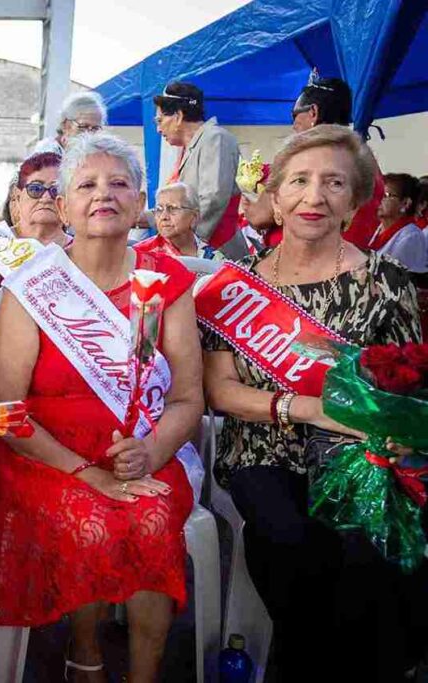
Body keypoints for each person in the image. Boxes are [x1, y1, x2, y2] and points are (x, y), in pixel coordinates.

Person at [199, 124, 428, 681]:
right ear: (274, 198)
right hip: (263, 447)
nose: (314, 196)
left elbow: (405, 383)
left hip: (359, 452)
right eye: (299, 181)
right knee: (287, 540)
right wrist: (302, 408)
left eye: (334, 183)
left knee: (363, 553)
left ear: (353, 202)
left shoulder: (386, 280)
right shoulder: (235, 286)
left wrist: (393, 434)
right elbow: (220, 391)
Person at [0, 133, 203, 683]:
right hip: (43, 453)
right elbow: (3, 412)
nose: (104, 194)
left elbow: (187, 399)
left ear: (140, 199)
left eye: (119, 183)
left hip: (139, 448)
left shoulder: (162, 285)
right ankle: (88, 659)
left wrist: (149, 452)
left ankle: (144, 672)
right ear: (65, 204)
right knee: (93, 521)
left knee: (152, 518)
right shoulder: (32, 287)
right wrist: (84, 473)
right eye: (87, 184)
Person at [0, 152, 69, 334]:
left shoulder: (80, 249)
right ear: (17, 196)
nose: (45, 198)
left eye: (56, 190)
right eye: (35, 189)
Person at [154, 81, 249, 259]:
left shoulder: (215, 138)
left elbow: (213, 198)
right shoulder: (188, 148)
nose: (158, 129)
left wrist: (187, 242)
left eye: (160, 121)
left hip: (217, 251)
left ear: (179, 116)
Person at [291, 73, 384, 249]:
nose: (294, 124)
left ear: (313, 112)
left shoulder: (315, 154)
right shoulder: (362, 153)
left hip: (320, 261)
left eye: (294, 114)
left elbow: (260, 216)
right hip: (356, 260)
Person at [134, 182, 222, 260]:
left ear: (194, 217)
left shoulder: (214, 259)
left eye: (172, 208)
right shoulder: (141, 254)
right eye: (159, 209)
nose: (164, 217)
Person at [368, 172, 427, 273]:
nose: (378, 199)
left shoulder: (411, 236)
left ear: (405, 203)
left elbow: (390, 276)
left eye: (386, 195)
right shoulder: (379, 227)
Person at [32, 90, 107, 155]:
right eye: (83, 127)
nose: (89, 134)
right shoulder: (47, 155)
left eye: (95, 128)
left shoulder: (95, 154)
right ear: (66, 125)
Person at [236, 152, 280, 249]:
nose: (245, 202)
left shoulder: (287, 238)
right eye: (244, 194)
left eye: (255, 192)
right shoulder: (241, 228)